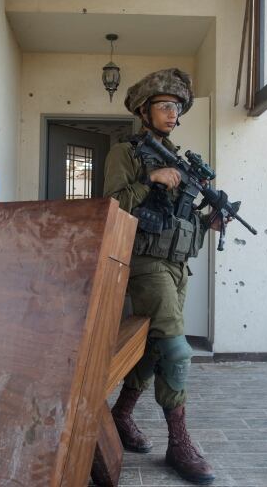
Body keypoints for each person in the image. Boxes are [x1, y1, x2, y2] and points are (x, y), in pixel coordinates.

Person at [103, 68, 216, 485]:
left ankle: (120, 415)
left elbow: (182, 219)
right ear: (143, 110)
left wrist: (209, 222)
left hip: (177, 266)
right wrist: (149, 178)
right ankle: (179, 444)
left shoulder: (180, 161)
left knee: (152, 348)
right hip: (146, 264)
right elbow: (112, 204)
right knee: (176, 350)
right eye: (165, 106)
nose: (173, 114)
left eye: (178, 107)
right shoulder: (127, 153)